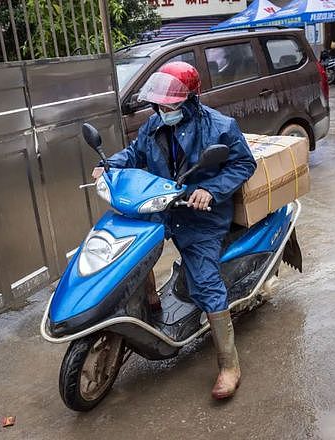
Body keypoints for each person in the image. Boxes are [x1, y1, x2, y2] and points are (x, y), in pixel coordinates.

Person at [92, 62, 257, 398]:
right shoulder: (153, 124)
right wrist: (109, 165)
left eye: (168, 105)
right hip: (162, 206)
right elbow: (136, 153)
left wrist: (211, 189)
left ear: (188, 99)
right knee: (131, 251)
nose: (161, 110)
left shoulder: (220, 127)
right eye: (158, 105)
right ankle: (151, 303)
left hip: (201, 216)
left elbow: (244, 163)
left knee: (206, 283)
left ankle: (229, 365)